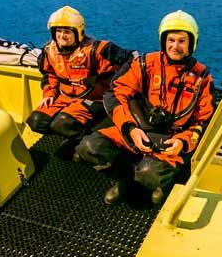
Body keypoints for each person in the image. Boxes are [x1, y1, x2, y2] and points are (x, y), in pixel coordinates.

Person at [76, 10, 214, 205]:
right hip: (138, 129)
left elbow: (204, 120)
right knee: (89, 147)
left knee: (150, 173)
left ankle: (161, 183)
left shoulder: (202, 77)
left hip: (171, 141)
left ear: (192, 43)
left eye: (182, 41)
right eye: (171, 40)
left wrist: (182, 143)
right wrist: (130, 128)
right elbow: (115, 93)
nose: (175, 46)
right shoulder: (146, 63)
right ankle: (125, 181)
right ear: (163, 41)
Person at [26, 5, 132, 155]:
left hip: (94, 98)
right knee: (37, 120)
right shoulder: (49, 51)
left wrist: (117, 93)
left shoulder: (96, 50)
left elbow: (130, 60)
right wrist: (49, 94)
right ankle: (73, 134)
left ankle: (85, 143)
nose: (62, 36)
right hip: (64, 95)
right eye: (58, 31)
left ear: (79, 33)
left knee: (63, 122)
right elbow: (49, 75)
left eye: (67, 32)